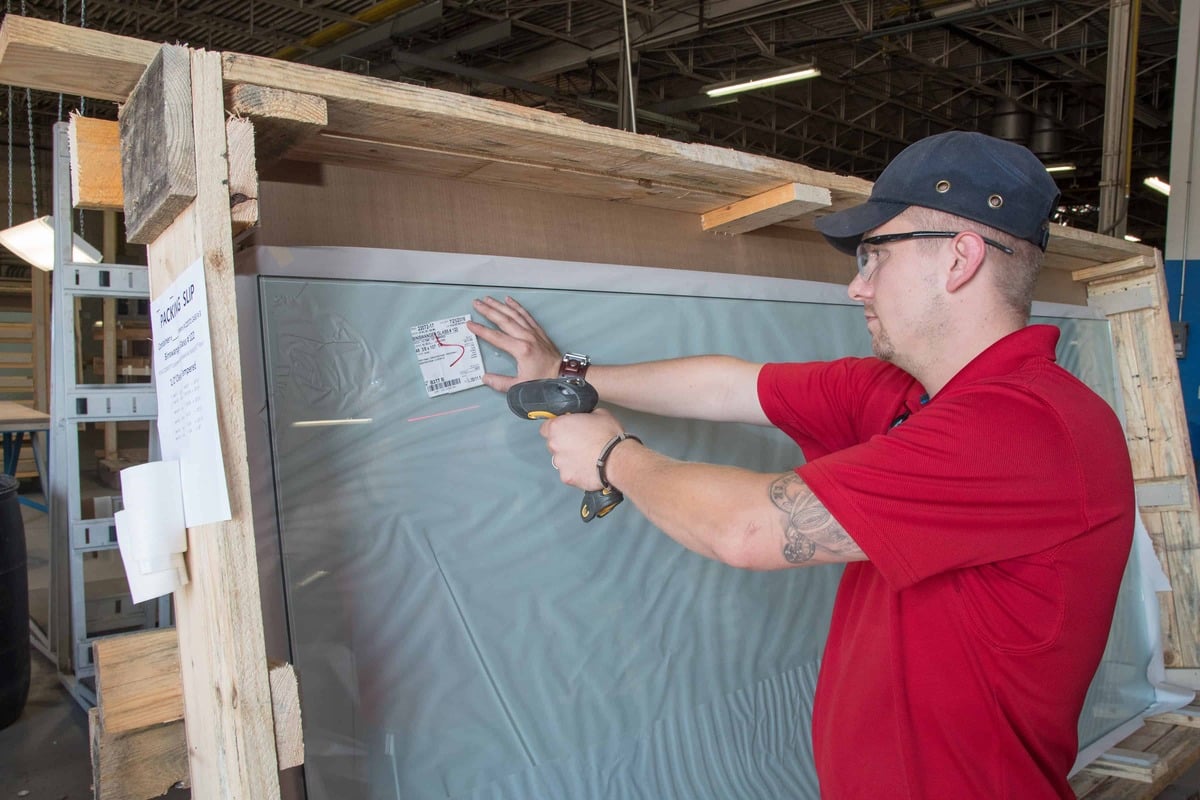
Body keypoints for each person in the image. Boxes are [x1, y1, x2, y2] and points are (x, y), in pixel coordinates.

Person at [466, 131, 1135, 799]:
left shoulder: (1024, 428)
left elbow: (749, 531)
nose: (856, 287)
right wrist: (565, 372)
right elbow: (729, 385)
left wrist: (612, 456)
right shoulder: (907, 394)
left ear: (959, 260)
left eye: (874, 258)